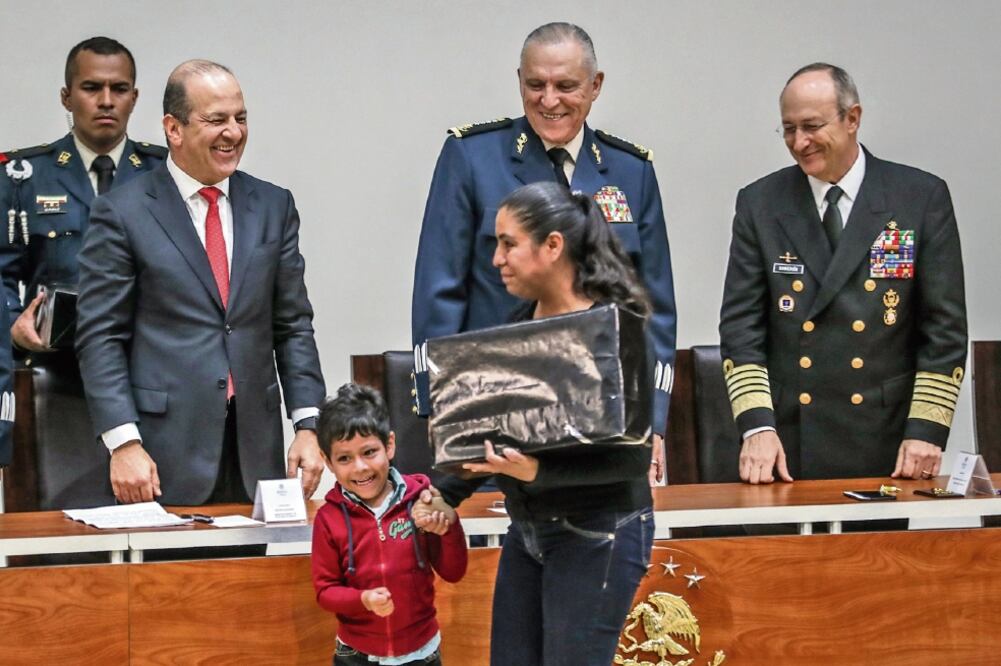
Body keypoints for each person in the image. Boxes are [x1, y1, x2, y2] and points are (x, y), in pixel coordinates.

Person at [411, 22, 675, 483]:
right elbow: (439, 293)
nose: (549, 100)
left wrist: (652, 422)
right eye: (536, 85)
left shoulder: (631, 171)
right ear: (519, 81)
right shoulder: (472, 158)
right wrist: (440, 405)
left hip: (601, 422)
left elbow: (653, 308)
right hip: (494, 413)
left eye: (566, 86)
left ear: (596, 87)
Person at [416, 181, 656, 666]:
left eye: (509, 244)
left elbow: (635, 459)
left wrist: (538, 474)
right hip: (528, 527)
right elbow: (495, 433)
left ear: (552, 246)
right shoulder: (520, 320)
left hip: (598, 530)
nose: (496, 259)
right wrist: (446, 492)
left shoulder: (614, 330)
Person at [75, 60, 326, 506]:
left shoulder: (272, 205)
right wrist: (123, 442)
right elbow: (100, 336)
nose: (233, 132)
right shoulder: (123, 211)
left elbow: (293, 325)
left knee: (254, 577)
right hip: (159, 454)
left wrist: (308, 425)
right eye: (216, 120)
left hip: (255, 453)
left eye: (240, 118)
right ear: (174, 128)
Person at [719, 63, 967, 484]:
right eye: (789, 129)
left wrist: (926, 430)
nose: (800, 142)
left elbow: (944, 328)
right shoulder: (760, 203)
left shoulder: (918, 198)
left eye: (813, 126)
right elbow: (741, 327)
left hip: (885, 439)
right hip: (788, 441)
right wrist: (757, 427)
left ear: (853, 118)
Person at [0, 36, 166, 508]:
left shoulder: (164, 174)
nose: (107, 100)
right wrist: (13, 324)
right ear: (67, 96)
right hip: (57, 377)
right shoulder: (24, 177)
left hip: (148, 376)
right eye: (92, 87)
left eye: (120, 88)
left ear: (135, 96)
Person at [312, 383, 467, 666]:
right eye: (345, 458)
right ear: (328, 462)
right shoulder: (328, 518)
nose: (359, 467)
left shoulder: (420, 500)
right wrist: (364, 600)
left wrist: (448, 527)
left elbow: (454, 571)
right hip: (356, 656)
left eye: (369, 452)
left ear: (390, 445)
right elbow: (325, 591)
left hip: (421, 653)